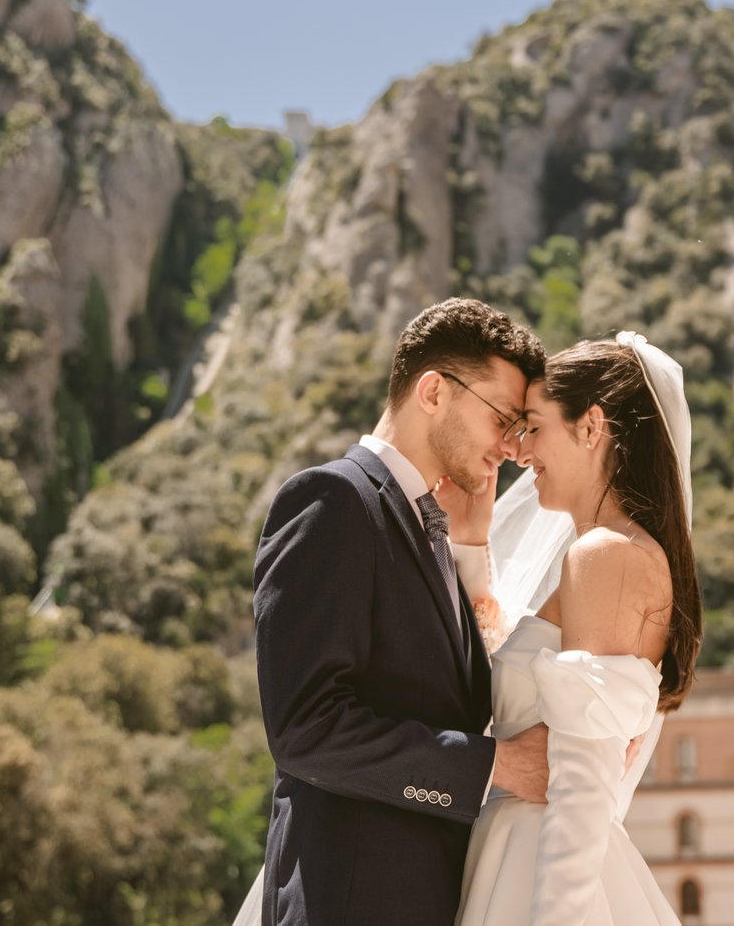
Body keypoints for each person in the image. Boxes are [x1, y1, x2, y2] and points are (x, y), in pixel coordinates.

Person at [246, 298, 552, 926]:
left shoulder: (431, 527)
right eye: (502, 418)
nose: (510, 447)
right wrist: (496, 766)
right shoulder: (332, 499)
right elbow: (307, 729)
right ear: (434, 391)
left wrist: (471, 549)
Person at [449, 332, 701, 926]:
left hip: (544, 871)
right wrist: (471, 544)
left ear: (591, 427)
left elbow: (582, 788)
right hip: (521, 852)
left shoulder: (604, 557)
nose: (519, 450)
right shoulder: (607, 554)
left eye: (534, 427)